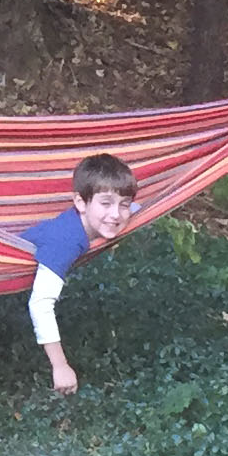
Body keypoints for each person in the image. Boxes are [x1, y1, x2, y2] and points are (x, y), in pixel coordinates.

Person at [21, 152, 138, 393]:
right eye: (106, 203)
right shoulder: (66, 242)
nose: (116, 214)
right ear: (80, 203)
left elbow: (137, 207)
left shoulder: (86, 221)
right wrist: (60, 366)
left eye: (124, 204)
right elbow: (40, 303)